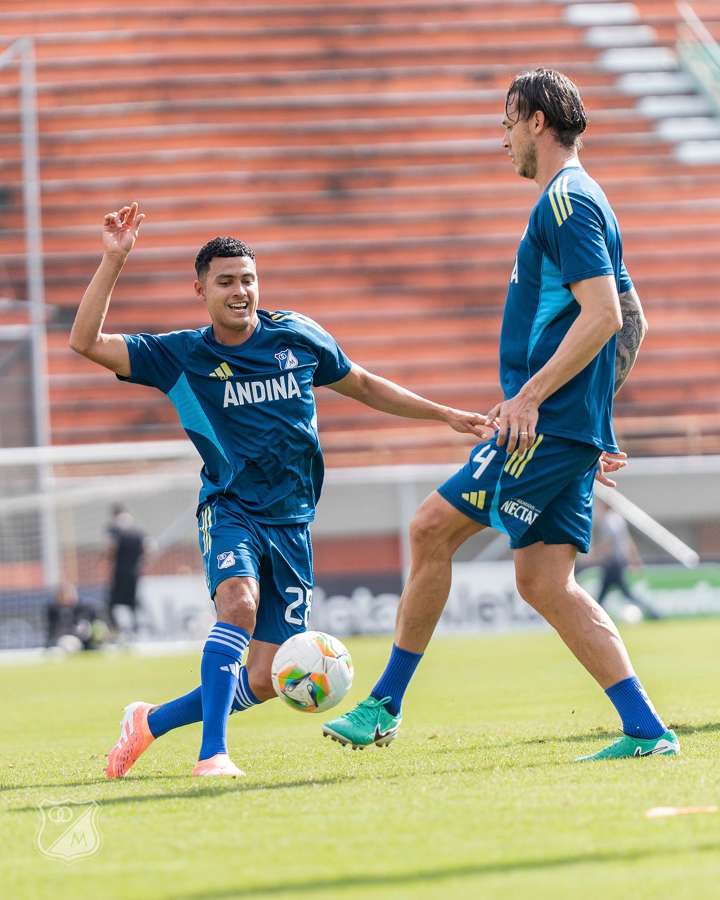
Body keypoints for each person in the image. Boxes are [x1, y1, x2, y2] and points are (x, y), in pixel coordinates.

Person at [324, 69, 679, 761]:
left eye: (507, 123)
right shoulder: (587, 198)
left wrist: (535, 399)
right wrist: (593, 420)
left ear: (537, 121)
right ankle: (644, 730)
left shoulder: (566, 204)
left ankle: (383, 705)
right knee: (544, 581)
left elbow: (607, 316)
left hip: (540, 426)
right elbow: (633, 318)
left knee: (430, 528)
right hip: (565, 426)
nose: (504, 139)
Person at [69, 203, 494, 777]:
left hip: (293, 521)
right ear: (201, 290)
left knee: (268, 679)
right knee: (237, 604)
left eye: (247, 278)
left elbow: (363, 383)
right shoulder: (181, 356)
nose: (239, 290)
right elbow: (86, 341)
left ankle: (149, 722)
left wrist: (443, 413)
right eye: (225, 281)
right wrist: (113, 261)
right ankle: (212, 754)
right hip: (231, 507)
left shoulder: (295, 336)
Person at [591, 500, 659, 619]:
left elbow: (609, 542)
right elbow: (628, 542)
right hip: (619, 562)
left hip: (612, 563)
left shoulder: (608, 520)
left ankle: (654, 614)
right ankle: (654, 614)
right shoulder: (618, 519)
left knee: (609, 596)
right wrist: (634, 560)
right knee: (614, 595)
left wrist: (594, 553)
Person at [106, 503, 147, 634]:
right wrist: (141, 563)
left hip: (119, 571)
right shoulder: (137, 529)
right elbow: (149, 548)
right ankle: (136, 629)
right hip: (134, 571)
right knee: (132, 602)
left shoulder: (114, 529)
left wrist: (109, 560)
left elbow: (111, 548)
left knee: (111, 603)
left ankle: (116, 630)